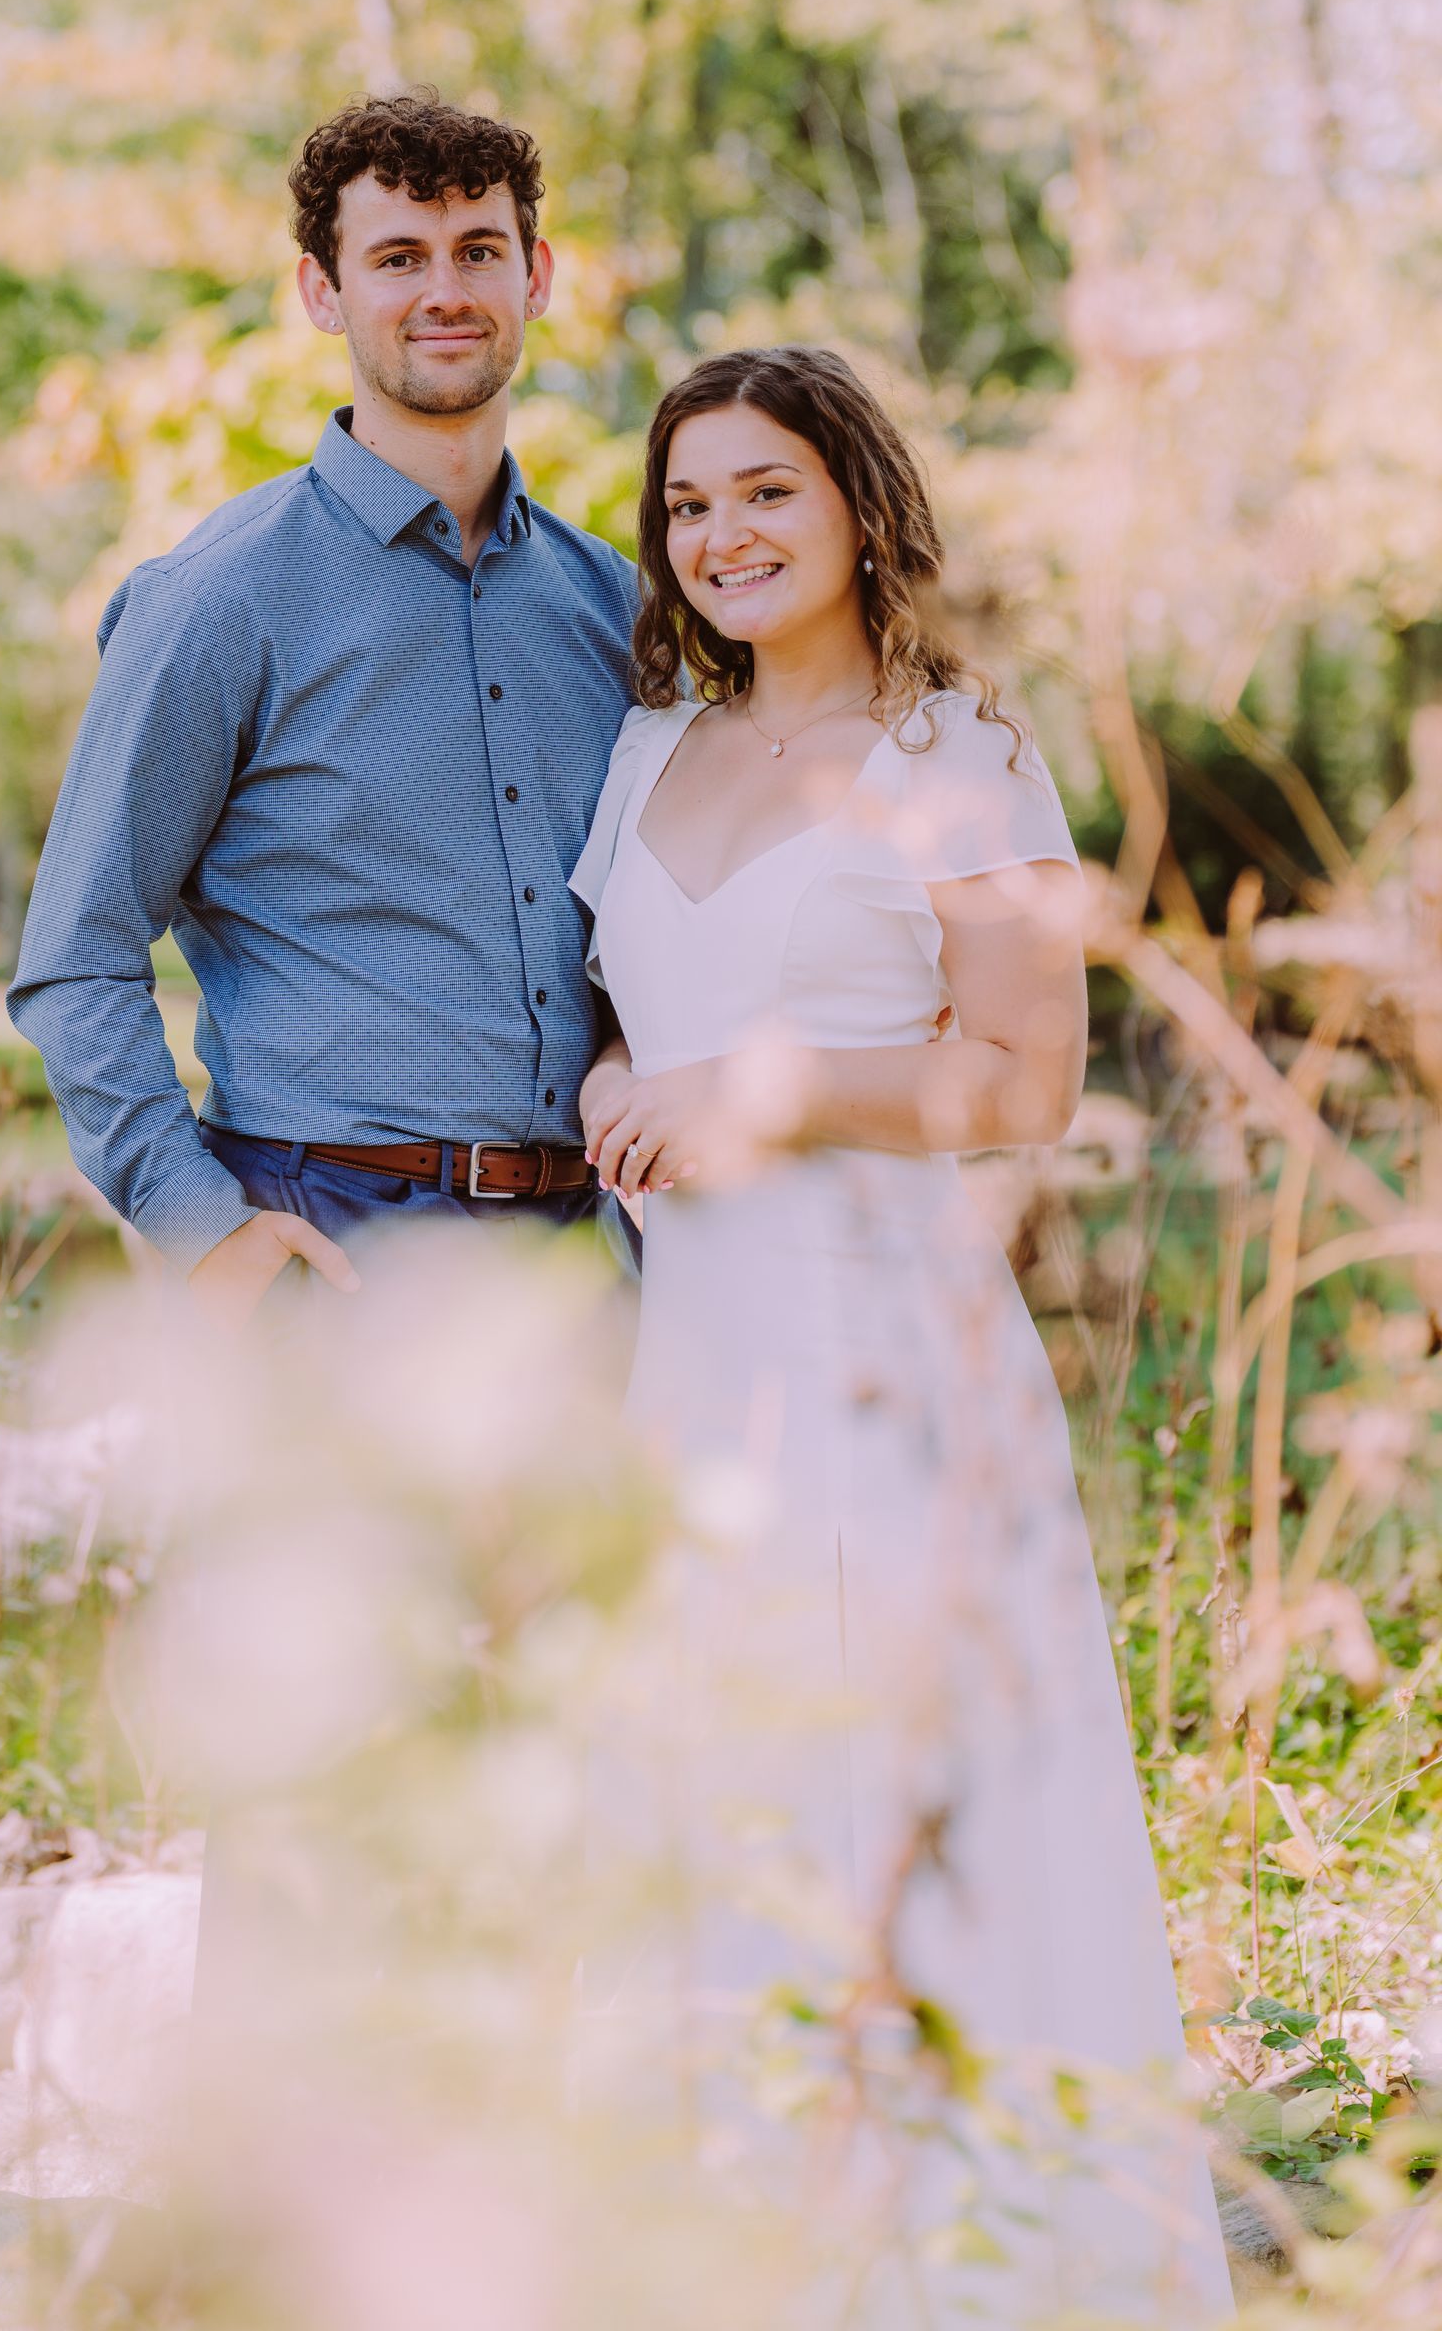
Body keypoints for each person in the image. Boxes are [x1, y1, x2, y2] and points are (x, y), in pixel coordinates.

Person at [568, 346, 1232, 2322]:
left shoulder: (970, 757)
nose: (724, 535)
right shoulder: (639, 753)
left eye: (766, 490)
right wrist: (629, 1076)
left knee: (905, 1812)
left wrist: (770, 1084)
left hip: (885, 1372)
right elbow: (645, 1012)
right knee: (711, 1812)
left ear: (860, 504)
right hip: (686, 1371)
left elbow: (1025, 1081)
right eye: (689, 505)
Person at [7, 91, 636, 1318]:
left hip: (585, 1252)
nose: (444, 289)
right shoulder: (219, 597)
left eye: (479, 252)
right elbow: (75, 959)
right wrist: (203, 1228)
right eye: (397, 257)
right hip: (331, 1240)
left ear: (537, 276)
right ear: (323, 293)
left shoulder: (610, 602)